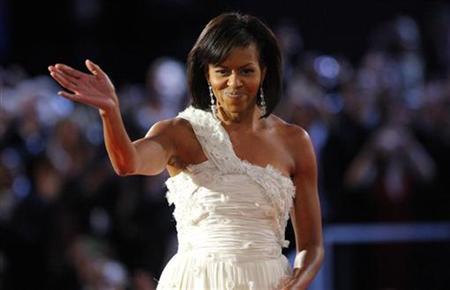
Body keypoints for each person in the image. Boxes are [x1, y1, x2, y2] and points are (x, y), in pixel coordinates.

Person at [48, 12, 323, 290]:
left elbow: (311, 245)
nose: (234, 82)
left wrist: (296, 283)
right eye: (223, 71)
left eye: (246, 70)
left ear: (264, 71)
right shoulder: (180, 133)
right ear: (207, 73)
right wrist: (110, 112)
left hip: (269, 282)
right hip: (197, 280)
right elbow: (127, 162)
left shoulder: (294, 141)